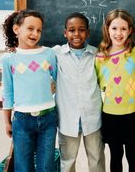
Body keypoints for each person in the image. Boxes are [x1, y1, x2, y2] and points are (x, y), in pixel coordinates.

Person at [1, 9, 58, 172]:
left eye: (39, 30)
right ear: (16, 29)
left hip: (48, 117)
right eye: (30, 28)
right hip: (22, 120)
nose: (35, 33)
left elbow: (58, 81)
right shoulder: (9, 58)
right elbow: (7, 91)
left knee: (46, 166)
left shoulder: (49, 54)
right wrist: (6, 121)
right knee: (23, 166)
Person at [53, 12, 105, 172]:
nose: (76, 34)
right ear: (65, 32)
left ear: (88, 33)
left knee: (96, 160)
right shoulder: (56, 54)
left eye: (81, 30)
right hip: (67, 119)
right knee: (67, 162)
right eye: (72, 30)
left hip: (93, 117)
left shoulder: (97, 54)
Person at [95, 9, 135, 172]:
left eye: (123, 28)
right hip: (110, 113)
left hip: (132, 113)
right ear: (107, 29)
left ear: (130, 30)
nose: (118, 33)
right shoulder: (100, 56)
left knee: (133, 155)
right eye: (114, 28)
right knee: (115, 155)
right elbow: (100, 83)